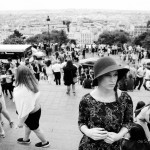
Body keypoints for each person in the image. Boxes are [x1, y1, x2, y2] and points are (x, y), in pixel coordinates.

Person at [78, 57, 133, 150]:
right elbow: (81, 122)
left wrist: (119, 136)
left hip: (113, 147)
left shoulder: (125, 98)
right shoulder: (86, 100)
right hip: (89, 146)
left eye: (115, 75)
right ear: (99, 77)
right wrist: (88, 132)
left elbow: (128, 122)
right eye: (108, 75)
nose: (113, 80)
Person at [13, 65, 49, 148]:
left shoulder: (25, 89)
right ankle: (26, 139)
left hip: (31, 114)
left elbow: (27, 108)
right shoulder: (31, 82)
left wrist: (20, 122)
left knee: (36, 129)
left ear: (19, 75)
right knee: (28, 126)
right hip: (36, 110)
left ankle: (45, 142)